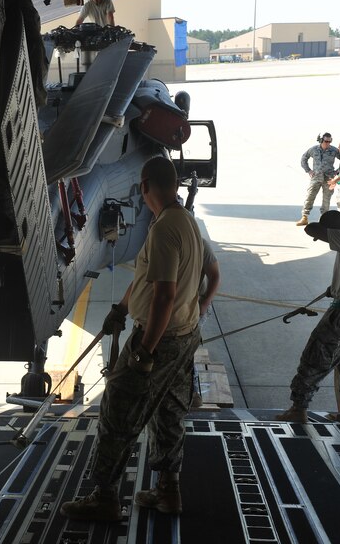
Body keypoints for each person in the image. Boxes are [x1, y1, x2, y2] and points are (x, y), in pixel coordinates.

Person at [60, 157, 203, 521]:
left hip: (160, 340)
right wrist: (121, 309)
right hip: (184, 335)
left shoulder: (164, 229)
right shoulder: (184, 220)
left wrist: (144, 352)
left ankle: (105, 497)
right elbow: (147, 279)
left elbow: (164, 296)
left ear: (144, 187)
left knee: (117, 413)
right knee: (169, 413)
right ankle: (168, 491)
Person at [275, 210, 340, 425]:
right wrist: (337, 288)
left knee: (316, 357)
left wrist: (323, 230)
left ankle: (298, 408)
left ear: (335, 230)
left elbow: (310, 228)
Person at [191, 238, 221, 408]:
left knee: (186, 350)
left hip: (194, 307)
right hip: (174, 308)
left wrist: (204, 304)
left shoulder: (200, 244)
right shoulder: (158, 240)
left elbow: (215, 276)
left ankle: (193, 391)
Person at [296, 133, 340, 226]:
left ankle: (323, 219)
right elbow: (304, 158)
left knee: (326, 200)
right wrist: (308, 170)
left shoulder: (334, 150)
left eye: (329, 141)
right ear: (321, 140)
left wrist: (337, 172)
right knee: (310, 196)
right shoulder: (314, 149)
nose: (328, 143)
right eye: (326, 141)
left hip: (329, 178)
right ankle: (304, 217)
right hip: (316, 178)